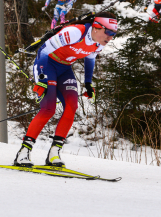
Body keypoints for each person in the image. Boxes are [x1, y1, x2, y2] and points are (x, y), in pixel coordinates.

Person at [14, 12, 117, 167]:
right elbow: (43, 50)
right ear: (96, 27)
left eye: (114, 33)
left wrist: (88, 83)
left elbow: (90, 58)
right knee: (48, 108)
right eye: (108, 32)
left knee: (71, 106)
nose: (110, 37)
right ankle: (23, 153)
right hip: (47, 64)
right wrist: (41, 79)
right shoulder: (75, 32)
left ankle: (54, 153)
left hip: (64, 69)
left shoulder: (98, 43)